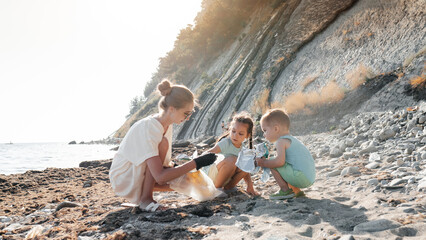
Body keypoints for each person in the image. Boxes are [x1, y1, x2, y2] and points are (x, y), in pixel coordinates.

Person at [109, 79, 217, 211]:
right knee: (166, 148)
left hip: (140, 172)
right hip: (124, 177)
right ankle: (146, 200)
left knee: (190, 182)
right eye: (186, 113)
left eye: (190, 114)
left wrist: (184, 170)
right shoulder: (150, 127)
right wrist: (196, 162)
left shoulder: (167, 124)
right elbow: (159, 176)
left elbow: (161, 167)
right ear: (171, 109)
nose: (188, 118)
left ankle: (146, 195)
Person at [256, 109, 315, 199]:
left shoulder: (281, 141)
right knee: (286, 164)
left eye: (265, 130)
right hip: (309, 177)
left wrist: (263, 163)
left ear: (276, 129)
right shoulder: (291, 139)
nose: (264, 135)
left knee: (273, 162)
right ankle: (296, 191)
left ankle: (285, 190)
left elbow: (280, 163)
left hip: (301, 177)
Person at [203, 112, 259, 196]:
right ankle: (216, 189)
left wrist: (249, 186)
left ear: (247, 135)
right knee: (232, 160)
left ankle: (229, 187)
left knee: (247, 164)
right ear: (230, 129)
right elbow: (208, 153)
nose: (235, 136)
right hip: (211, 175)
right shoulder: (226, 142)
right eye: (233, 131)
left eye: (240, 134)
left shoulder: (242, 148)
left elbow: (246, 171)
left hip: (225, 176)